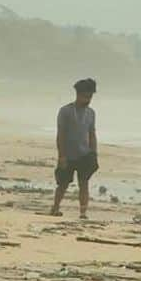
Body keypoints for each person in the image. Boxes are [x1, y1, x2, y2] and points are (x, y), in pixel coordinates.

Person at [50, 78, 99, 219]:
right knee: (63, 183)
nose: (88, 99)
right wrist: (62, 156)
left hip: (85, 154)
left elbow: (92, 133)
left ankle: (83, 212)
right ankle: (55, 208)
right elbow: (61, 134)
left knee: (84, 183)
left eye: (90, 97)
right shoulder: (65, 111)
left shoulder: (91, 113)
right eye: (85, 96)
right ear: (78, 94)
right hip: (68, 154)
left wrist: (94, 152)